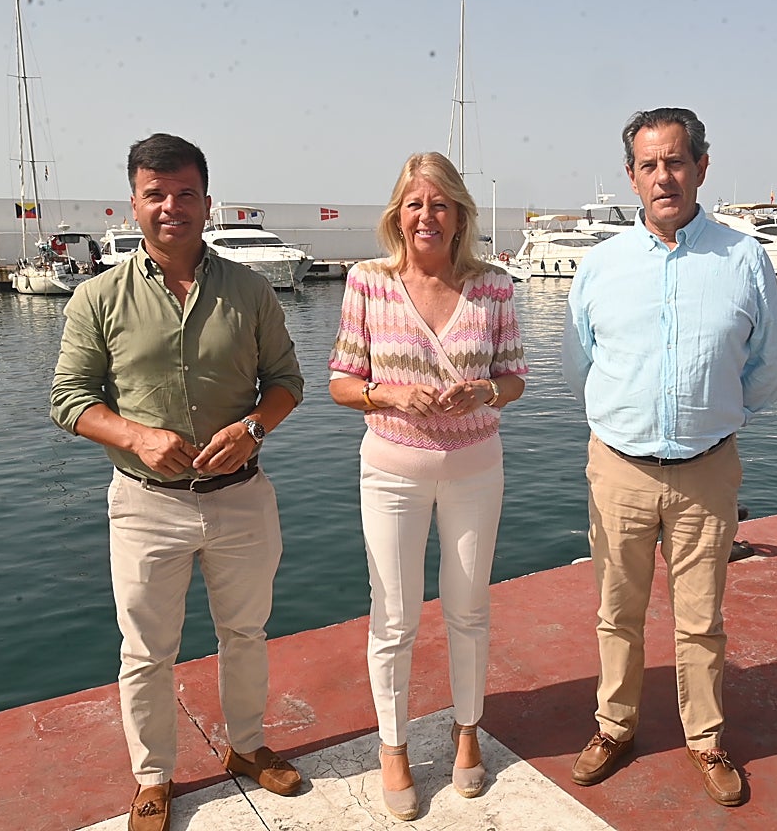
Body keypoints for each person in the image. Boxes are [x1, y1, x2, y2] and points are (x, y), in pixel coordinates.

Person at [50, 133, 305, 831]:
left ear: (206, 201)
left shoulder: (250, 291)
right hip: (144, 504)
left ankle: (247, 747)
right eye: (155, 194)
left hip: (244, 497)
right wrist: (136, 435)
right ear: (133, 203)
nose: (171, 207)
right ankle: (153, 777)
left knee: (246, 633)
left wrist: (253, 429)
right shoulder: (97, 297)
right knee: (145, 651)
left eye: (185, 193)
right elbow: (68, 398)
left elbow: (287, 382)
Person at [561, 107, 777, 807]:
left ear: (701, 166)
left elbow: (774, 363)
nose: (664, 176)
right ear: (631, 176)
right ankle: (614, 726)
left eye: (676, 161)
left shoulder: (742, 257)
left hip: (707, 467)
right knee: (616, 611)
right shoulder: (600, 265)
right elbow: (581, 366)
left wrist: (720, 412)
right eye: (649, 164)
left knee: (702, 618)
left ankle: (706, 739)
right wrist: (628, 418)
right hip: (619, 468)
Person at [328, 151, 527, 821]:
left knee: (469, 609)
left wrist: (484, 390)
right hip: (391, 473)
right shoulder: (367, 281)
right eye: (415, 203)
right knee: (394, 618)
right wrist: (387, 394)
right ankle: (394, 746)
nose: (427, 215)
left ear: (460, 214)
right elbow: (340, 381)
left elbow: (515, 378)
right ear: (398, 213)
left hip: (476, 469)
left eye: (440, 203)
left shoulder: (494, 285)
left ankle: (467, 732)